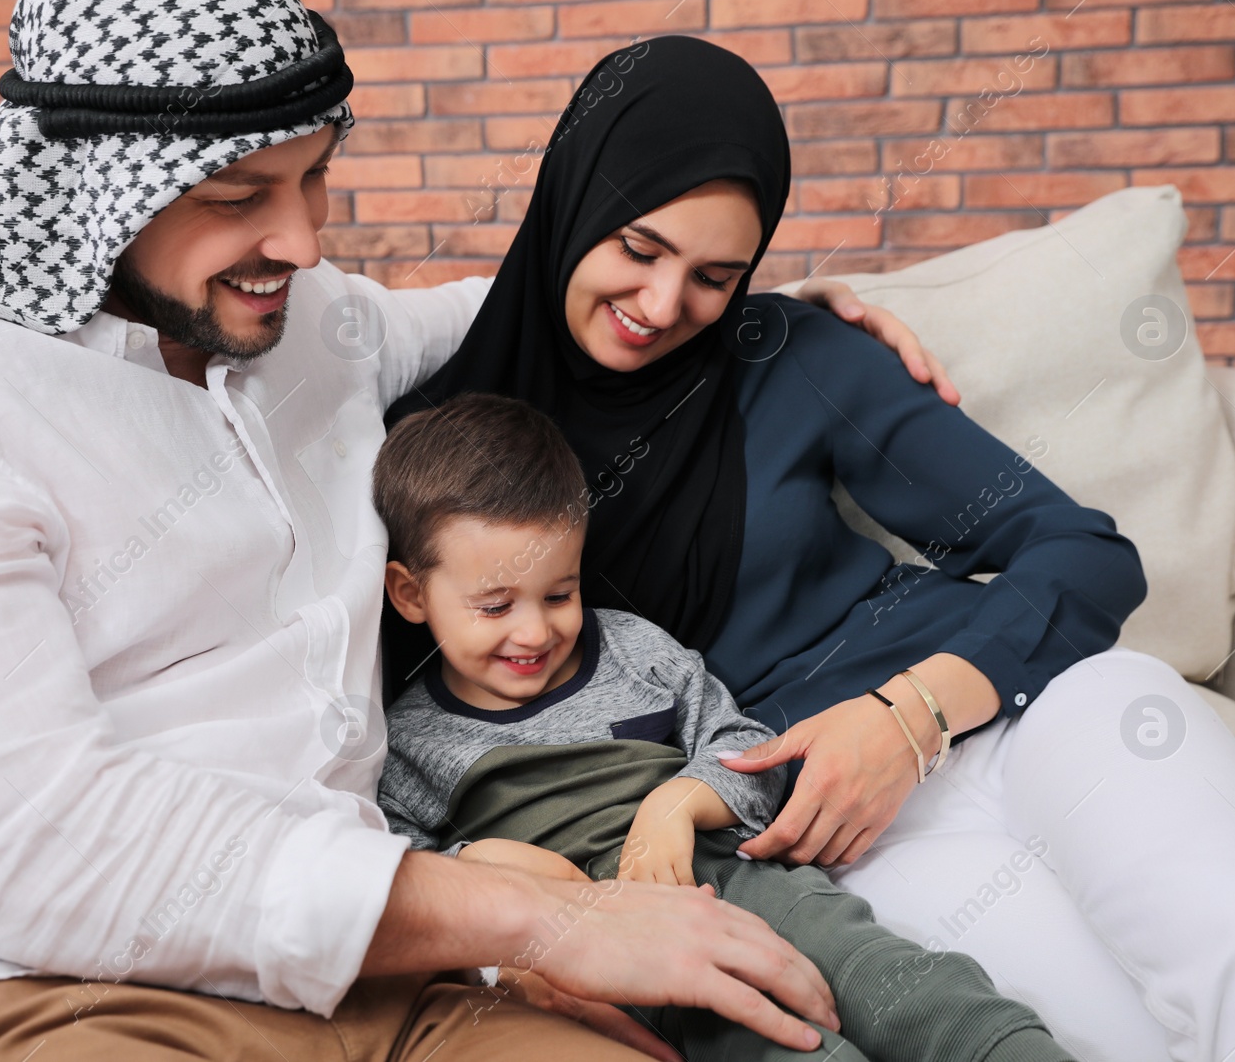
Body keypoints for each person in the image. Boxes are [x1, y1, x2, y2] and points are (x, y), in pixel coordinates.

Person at [0, 0, 946, 1062]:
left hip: (375, 977)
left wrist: (768, 328)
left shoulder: (307, 322)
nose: (304, 241)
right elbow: (38, 853)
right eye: (239, 197)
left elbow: (540, 302)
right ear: (87, 183)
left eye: (315, 176)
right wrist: (546, 920)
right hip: (28, 993)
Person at [383, 35, 1235, 1062]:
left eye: (717, 274)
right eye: (638, 246)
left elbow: (1081, 550)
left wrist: (908, 717)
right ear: (575, 198)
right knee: (1092, 1039)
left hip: (1029, 703)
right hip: (834, 836)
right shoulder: (437, 460)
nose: (665, 307)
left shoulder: (783, 355)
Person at [371, 391, 1078, 1062]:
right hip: (601, 963)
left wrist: (675, 802)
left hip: (745, 888)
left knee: (918, 993)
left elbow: (744, 745)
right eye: (494, 606)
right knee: (783, 1046)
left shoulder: (630, 650)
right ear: (410, 592)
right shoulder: (407, 741)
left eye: (560, 592)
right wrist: (495, 867)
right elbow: (399, 881)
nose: (535, 629)